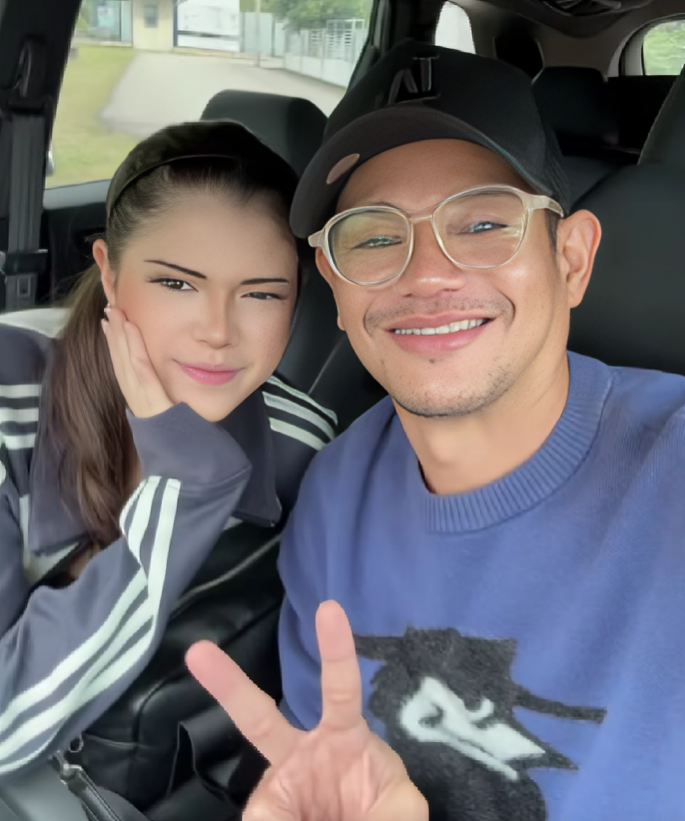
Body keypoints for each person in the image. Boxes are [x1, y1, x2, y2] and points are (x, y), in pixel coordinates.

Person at [188, 41, 685, 821]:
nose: (425, 274)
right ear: (335, 285)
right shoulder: (335, 493)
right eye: (374, 236)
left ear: (571, 259)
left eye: (483, 221)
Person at [0, 120, 336, 782]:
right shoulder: (9, 398)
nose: (217, 330)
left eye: (262, 293)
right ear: (109, 271)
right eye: (177, 284)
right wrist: (188, 485)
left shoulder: (305, 442)